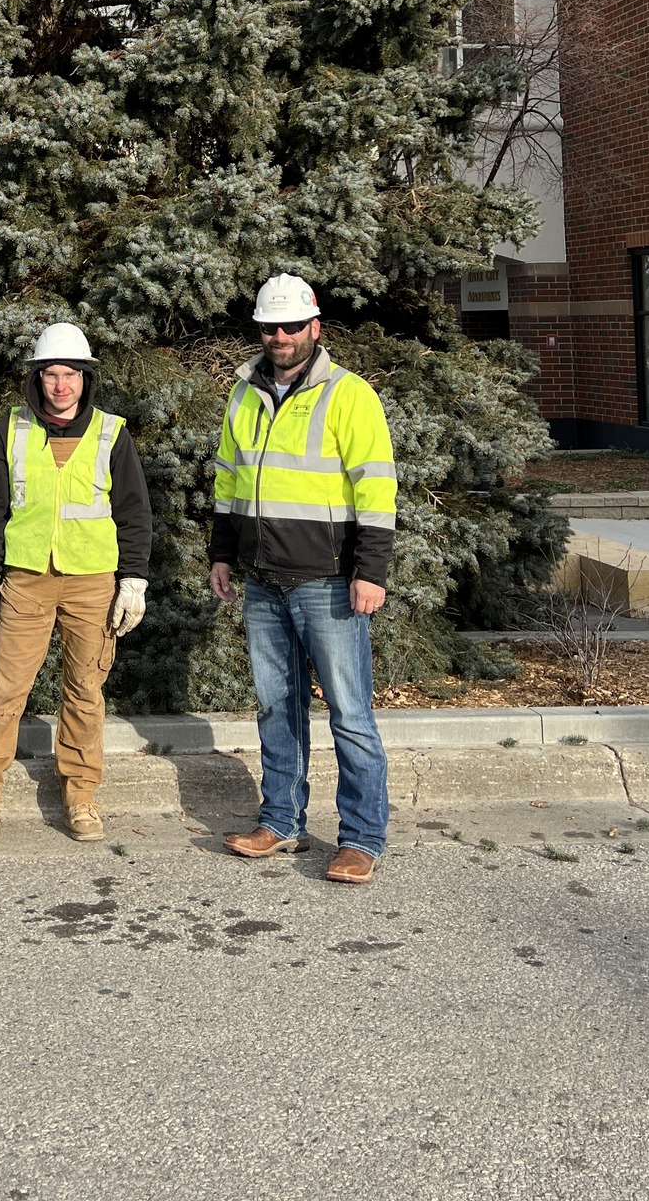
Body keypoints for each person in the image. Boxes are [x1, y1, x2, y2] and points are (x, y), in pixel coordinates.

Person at [209, 274, 397, 885]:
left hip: (328, 581)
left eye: (291, 326)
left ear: (316, 328)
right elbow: (229, 484)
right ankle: (281, 821)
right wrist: (221, 554)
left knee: (349, 713)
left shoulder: (349, 395)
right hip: (263, 581)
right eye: (270, 327)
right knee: (275, 709)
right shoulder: (244, 394)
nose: (280, 337)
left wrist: (370, 572)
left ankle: (362, 838)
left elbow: (376, 489)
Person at [0, 323, 153, 848]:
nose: (60, 385)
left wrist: (133, 581)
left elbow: (134, 512)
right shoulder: (11, 429)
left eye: (70, 375)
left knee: (85, 693)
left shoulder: (112, 433)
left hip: (92, 583)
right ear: (36, 379)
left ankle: (81, 797)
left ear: (86, 379)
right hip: (25, 580)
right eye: (50, 375)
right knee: (3, 694)